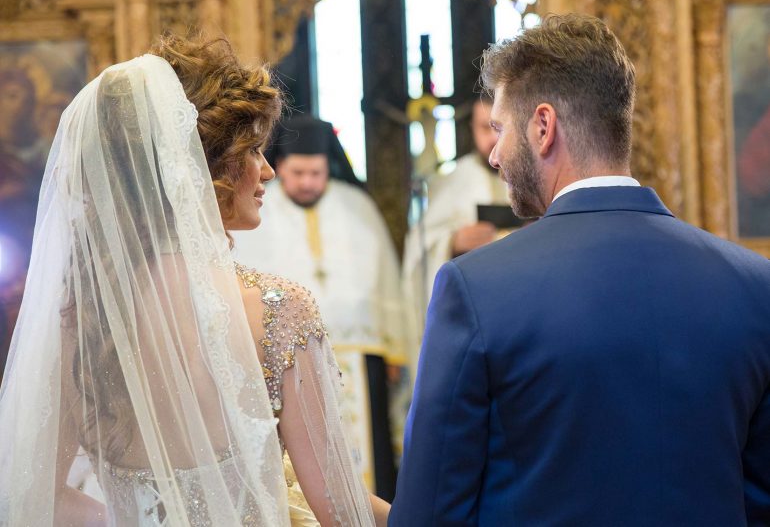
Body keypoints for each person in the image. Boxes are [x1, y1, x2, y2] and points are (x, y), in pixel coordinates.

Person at [390, 14, 770, 526]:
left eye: (500, 129)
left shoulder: (476, 287)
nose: (496, 155)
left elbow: (431, 513)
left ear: (543, 127)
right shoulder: (754, 284)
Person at [0, 35, 389, 526]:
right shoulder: (277, 309)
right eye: (253, 151)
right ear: (200, 168)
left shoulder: (84, 317)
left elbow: (36, 494)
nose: (268, 171)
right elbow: (343, 511)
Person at [232, 116, 409, 502]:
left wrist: (395, 347)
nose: (308, 182)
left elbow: (387, 280)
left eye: (316, 173)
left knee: (370, 456)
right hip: (287, 357)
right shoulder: (259, 207)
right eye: (298, 173)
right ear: (281, 166)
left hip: (361, 356)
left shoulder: (358, 206)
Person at [401, 96, 507, 356]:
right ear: (472, 128)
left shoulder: (536, 174)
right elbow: (417, 252)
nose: (493, 139)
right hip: (471, 316)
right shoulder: (453, 180)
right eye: (485, 128)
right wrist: (452, 242)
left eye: (500, 128)